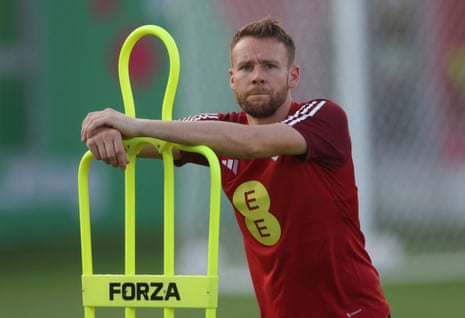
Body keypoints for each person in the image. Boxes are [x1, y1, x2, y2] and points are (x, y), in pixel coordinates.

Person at [81, 17, 391, 318]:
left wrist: (134, 124)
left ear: (292, 75)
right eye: (246, 67)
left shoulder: (324, 117)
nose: (257, 76)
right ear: (232, 79)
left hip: (353, 312)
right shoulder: (219, 131)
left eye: (269, 66)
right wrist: (108, 133)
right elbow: (147, 145)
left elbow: (252, 142)